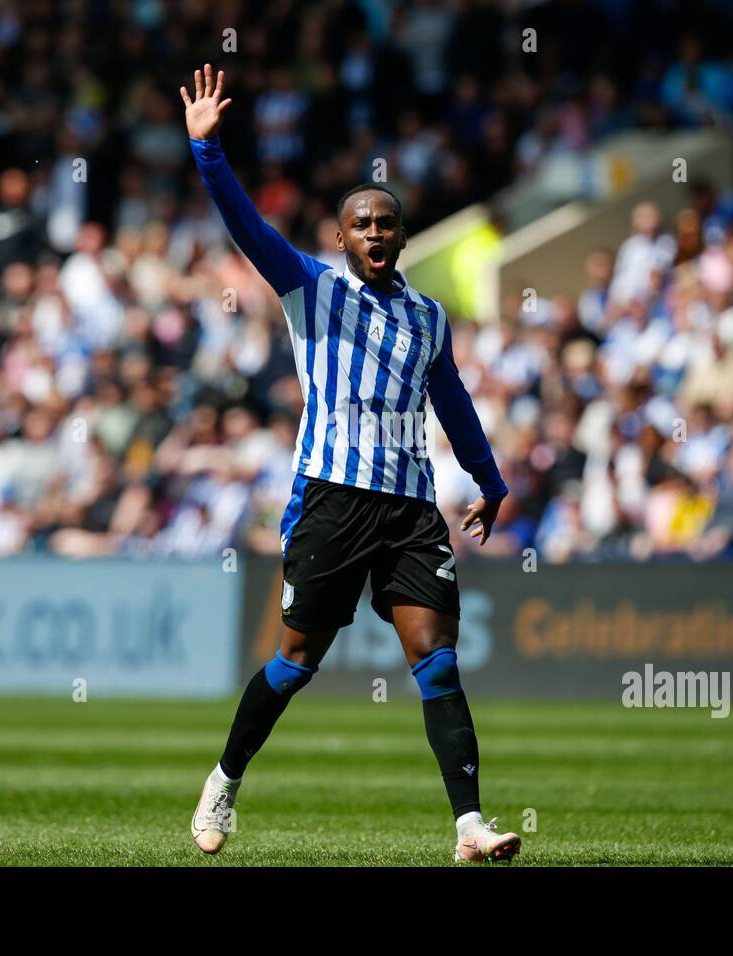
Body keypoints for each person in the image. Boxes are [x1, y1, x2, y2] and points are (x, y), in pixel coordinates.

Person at [181, 65, 519, 863]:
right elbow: (248, 228)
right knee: (295, 662)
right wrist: (209, 153)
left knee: (436, 660)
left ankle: (469, 825)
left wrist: (489, 478)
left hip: (408, 509)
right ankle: (225, 778)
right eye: (360, 223)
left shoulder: (429, 317)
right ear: (340, 238)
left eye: (385, 224)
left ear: (401, 237)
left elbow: (455, 399)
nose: (373, 232)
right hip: (331, 498)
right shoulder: (309, 288)